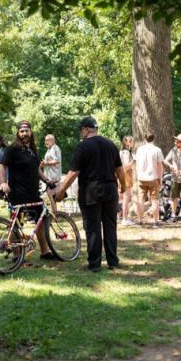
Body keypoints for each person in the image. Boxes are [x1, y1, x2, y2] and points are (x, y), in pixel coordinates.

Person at [55, 117, 126, 273]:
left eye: (81, 130)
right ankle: (113, 261)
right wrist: (124, 185)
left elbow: (74, 172)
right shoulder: (110, 144)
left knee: (93, 228)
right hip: (110, 190)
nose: (80, 134)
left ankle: (94, 264)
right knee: (110, 227)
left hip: (91, 192)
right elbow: (120, 170)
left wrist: (61, 191)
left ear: (86, 129)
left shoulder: (83, 147)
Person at [0, 120, 56, 261]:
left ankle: (45, 252)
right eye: (21, 131)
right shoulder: (12, 149)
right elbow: (1, 166)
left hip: (33, 193)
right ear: (18, 133)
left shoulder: (32, 150)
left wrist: (47, 180)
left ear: (31, 132)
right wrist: (3, 182)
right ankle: (17, 256)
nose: (24, 133)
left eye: (26, 131)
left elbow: (36, 170)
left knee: (41, 220)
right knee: (17, 223)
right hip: (18, 193)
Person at [135, 132, 164, 227]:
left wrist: (138, 175)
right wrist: (160, 178)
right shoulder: (157, 150)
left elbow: (137, 163)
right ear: (154, 139)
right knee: (155, 200)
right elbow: (160, 166)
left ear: (144, 138)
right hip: (153, 177)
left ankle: (139, 220)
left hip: (141, 178)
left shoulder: (140, 150)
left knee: (140, 200)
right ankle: (155, 221)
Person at [40, 134, 62, 212]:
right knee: (50, 196)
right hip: (48, 177)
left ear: (52, 140)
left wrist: (45, 163)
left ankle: (55, 214)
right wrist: (42, 165)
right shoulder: (49, 149)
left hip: (54, 177)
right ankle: (54, 214)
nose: (45, 142)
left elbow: (57, 161)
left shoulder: (55, 148)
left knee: (49, 195)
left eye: (47, 140)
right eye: (45, 140)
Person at [119, 135, 134, 225]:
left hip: (121, 176)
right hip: (126, 176)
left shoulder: (121, 152)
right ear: (127, 143)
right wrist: (134, 160)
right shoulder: (126, 152)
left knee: (121, 198)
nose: (132, 143)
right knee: (126, 198)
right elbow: (126, 166)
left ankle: (119, 217)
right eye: (131, 141)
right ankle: (124, 218)